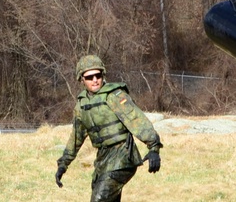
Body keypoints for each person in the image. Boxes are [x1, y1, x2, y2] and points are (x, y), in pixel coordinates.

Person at [55, 55, 163, 202]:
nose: (95, 80)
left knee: (99, 199)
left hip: (122, 157)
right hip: (103, 160)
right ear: (82, 79)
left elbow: (137, 121)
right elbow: (76, 138)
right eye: (89, 77)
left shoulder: (115, 96)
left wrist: (154, 148)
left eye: (98, 75)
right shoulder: (81, 106)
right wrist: (63, 164)